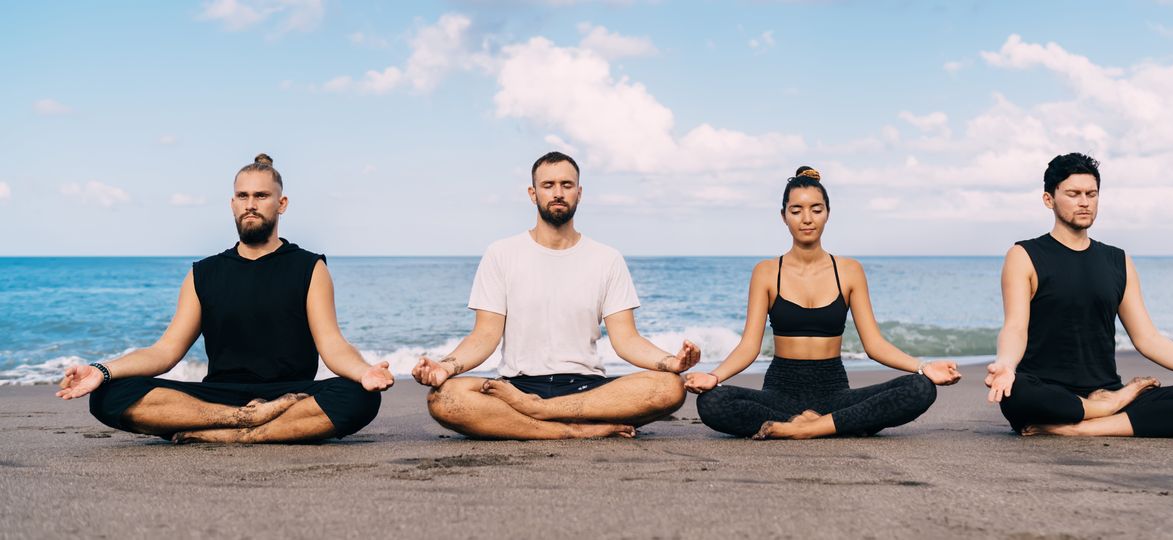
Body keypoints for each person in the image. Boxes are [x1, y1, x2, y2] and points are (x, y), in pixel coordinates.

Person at [56, 154, 393, 443]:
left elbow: (332, 345)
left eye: (261, 196)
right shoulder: (204, 273)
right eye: (242, 196)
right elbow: (165, 351)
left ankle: (235, 435)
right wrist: (102, 370)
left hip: (292, 392)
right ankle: (243, 422)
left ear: (281, 203)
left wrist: (363, 372)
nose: (251, 205)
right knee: (108, 397)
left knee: (360, 397)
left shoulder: (309, 267)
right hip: (219, 395)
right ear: (232, 204)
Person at [412, 151, 700, 440]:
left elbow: (627, 340)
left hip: (587, 390)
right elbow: (484, 335)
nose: (558, 193)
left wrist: (670, 362)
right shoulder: (501, 254)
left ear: (579, 192)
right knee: (445, 397)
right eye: (548, 185)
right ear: (533, 193)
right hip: (515, 387)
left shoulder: (607, 258)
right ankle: (568, 430)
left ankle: (541, 413)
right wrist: (445, 366)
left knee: (670, 387)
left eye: (567, 185)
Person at [985, 153, 1173, 437]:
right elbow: (1015, 327)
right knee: (1016, 392)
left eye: (1091, 194)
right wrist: (1006, 365)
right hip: (1048, 392)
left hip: (1105, 389)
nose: (1084, 202)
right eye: (1073, 194)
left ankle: (1082, 428)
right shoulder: (1024, 255)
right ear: (1049, 199)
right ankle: (1107, 408)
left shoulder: (1118, 260)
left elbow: (1148, 338)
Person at [685, 167, 961, 439]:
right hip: (779, 393)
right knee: (712, 401)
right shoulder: (767, 272)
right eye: (796, 211)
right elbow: (749, 346)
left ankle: (809, 428)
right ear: (783, 217)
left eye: (816, 210)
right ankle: (828, 425)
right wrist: (714, 376)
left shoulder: (849, 270)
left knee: (921, 388)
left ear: (827, 213)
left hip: (834, 393)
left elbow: (874, 345)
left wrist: (924, 367)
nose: (807, 219)